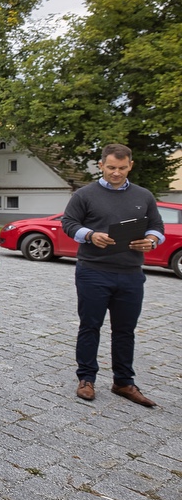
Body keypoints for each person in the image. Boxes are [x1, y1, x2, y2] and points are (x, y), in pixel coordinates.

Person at [60, 144, 164, 407]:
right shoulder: (84, 194)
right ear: (101, 165)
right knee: (90, 326)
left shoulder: (144, 196)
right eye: (111, 167)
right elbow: (68, 223)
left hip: (130, 274)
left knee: (125, 330)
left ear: (130, 165)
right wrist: (91, 235)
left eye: (121, 168)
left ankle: (123, 382)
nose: (116, 173)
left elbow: (157, 226)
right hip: (93, 271)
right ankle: (86, 378)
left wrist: (151, 240)